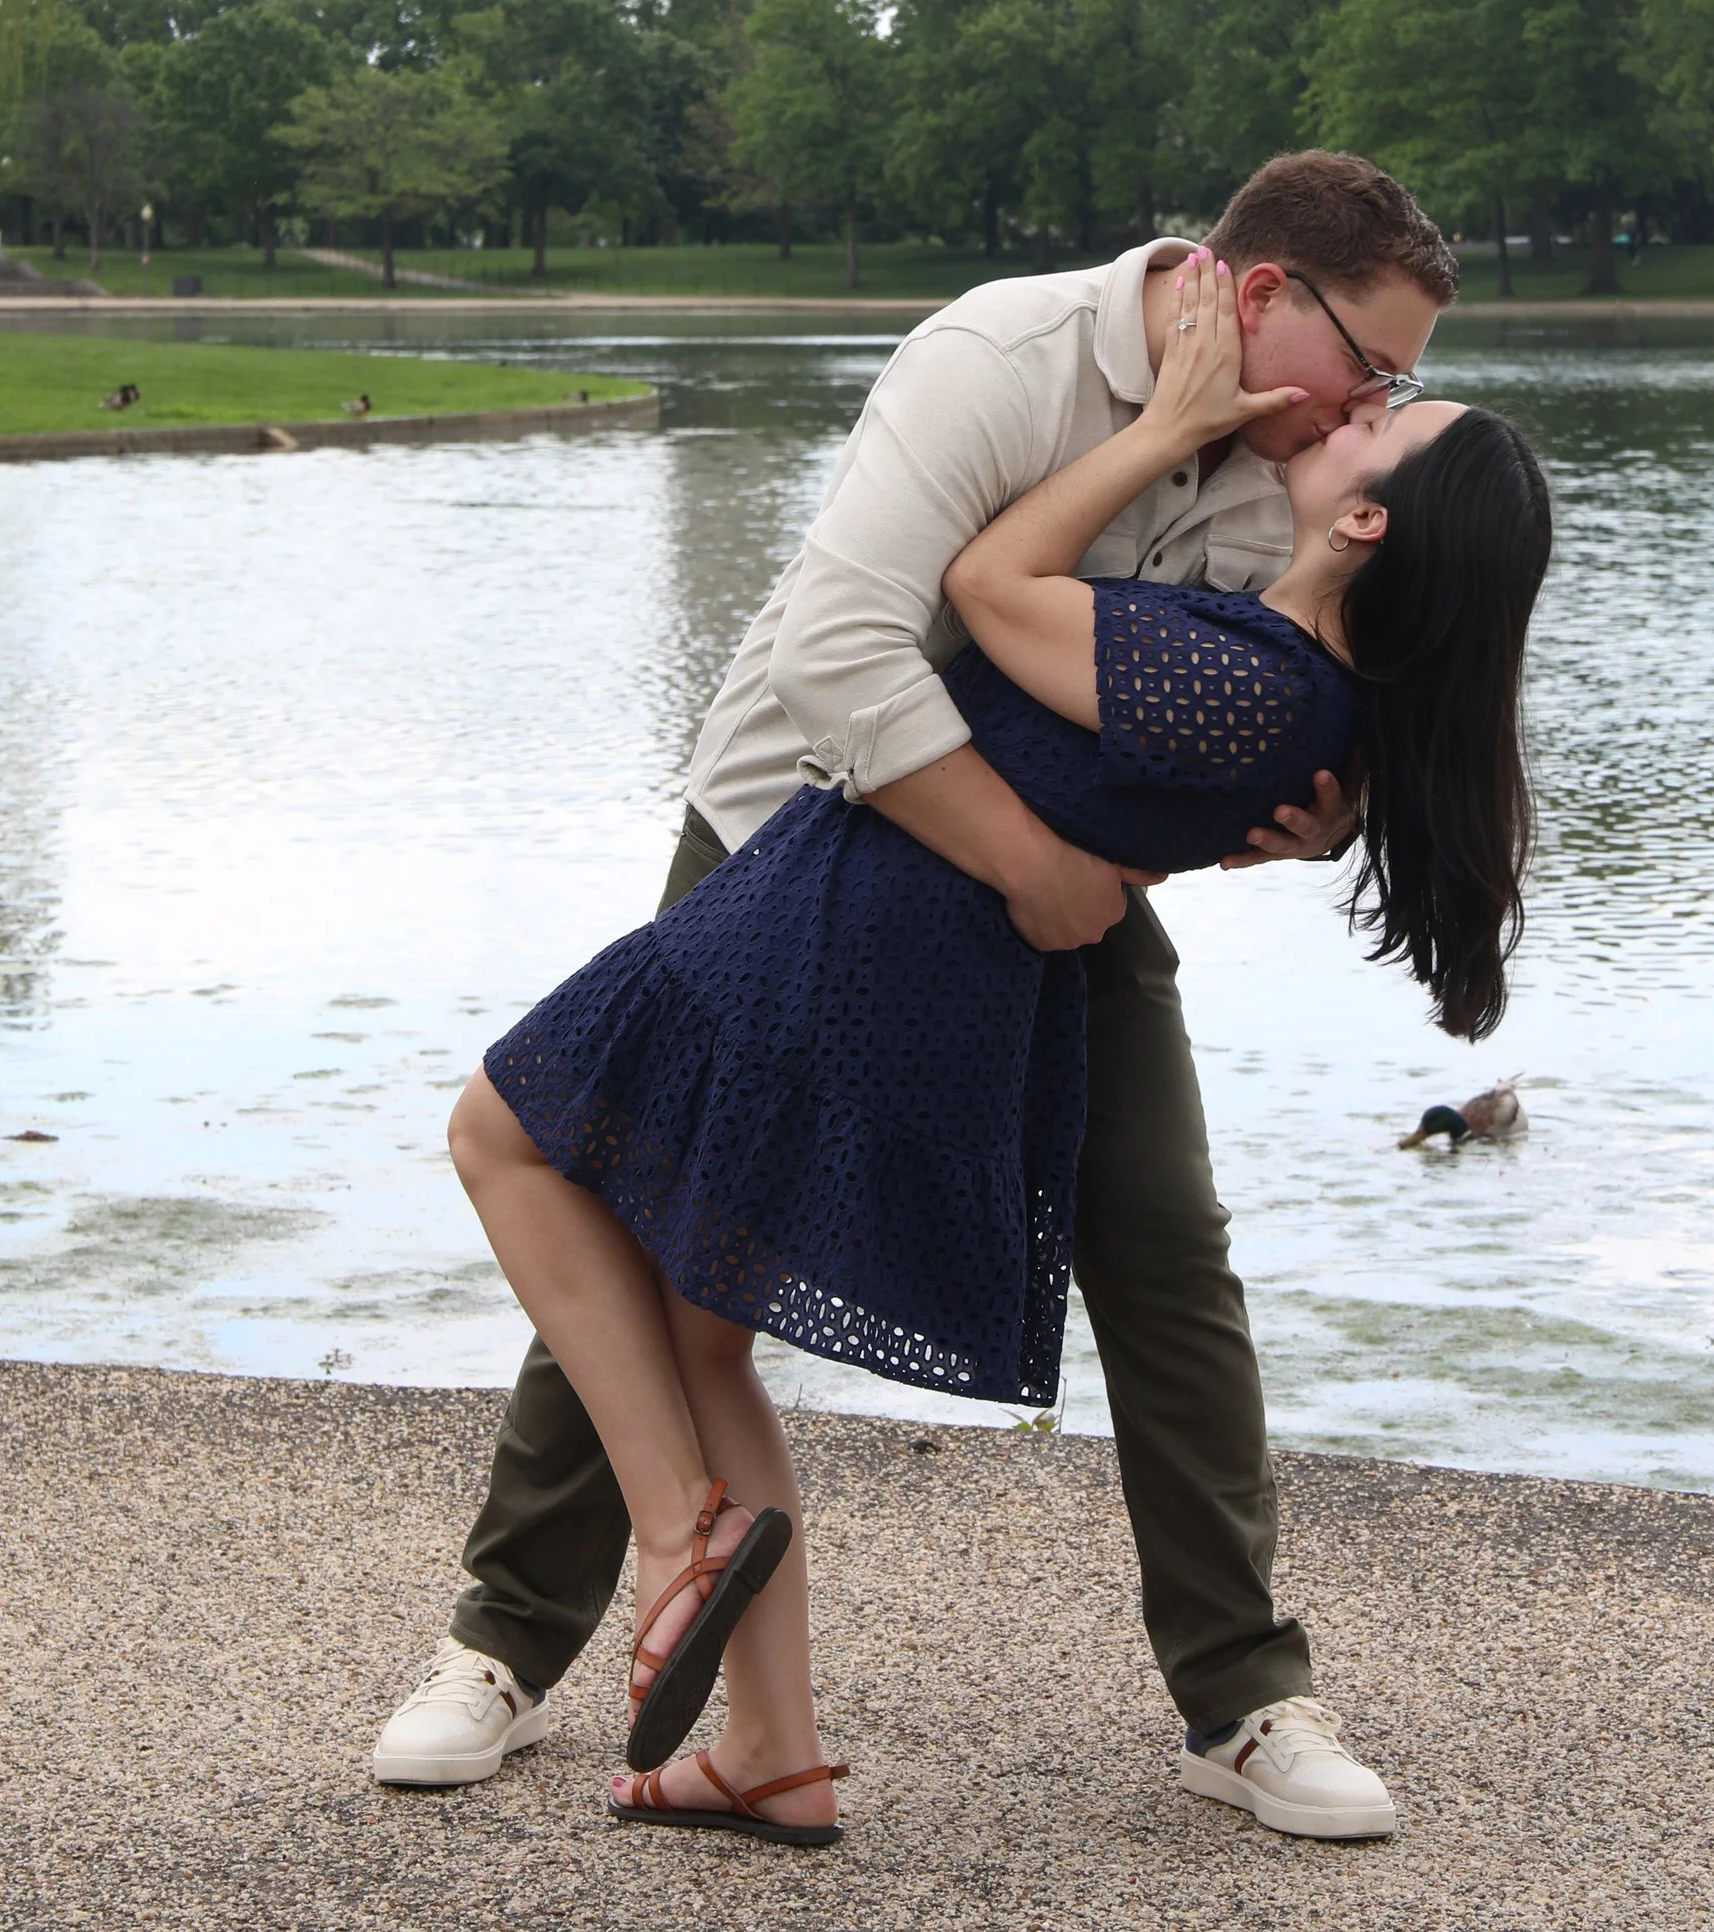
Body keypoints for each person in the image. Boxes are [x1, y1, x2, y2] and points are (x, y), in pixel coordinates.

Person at [373, 152, 1465, 1839]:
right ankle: (505, 1647)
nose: (1376, 405)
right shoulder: (1002, 360)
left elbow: (1310, 695)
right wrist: (1033, 866)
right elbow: (841, 656)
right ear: (1261, 301)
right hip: (794, 827)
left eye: (1394, 388)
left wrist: (1323, 819)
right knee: (643, 1212)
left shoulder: (1296, 468)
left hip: (1053, 906)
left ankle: (1244, 1698)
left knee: (1163, 1245)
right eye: (1371, 367)